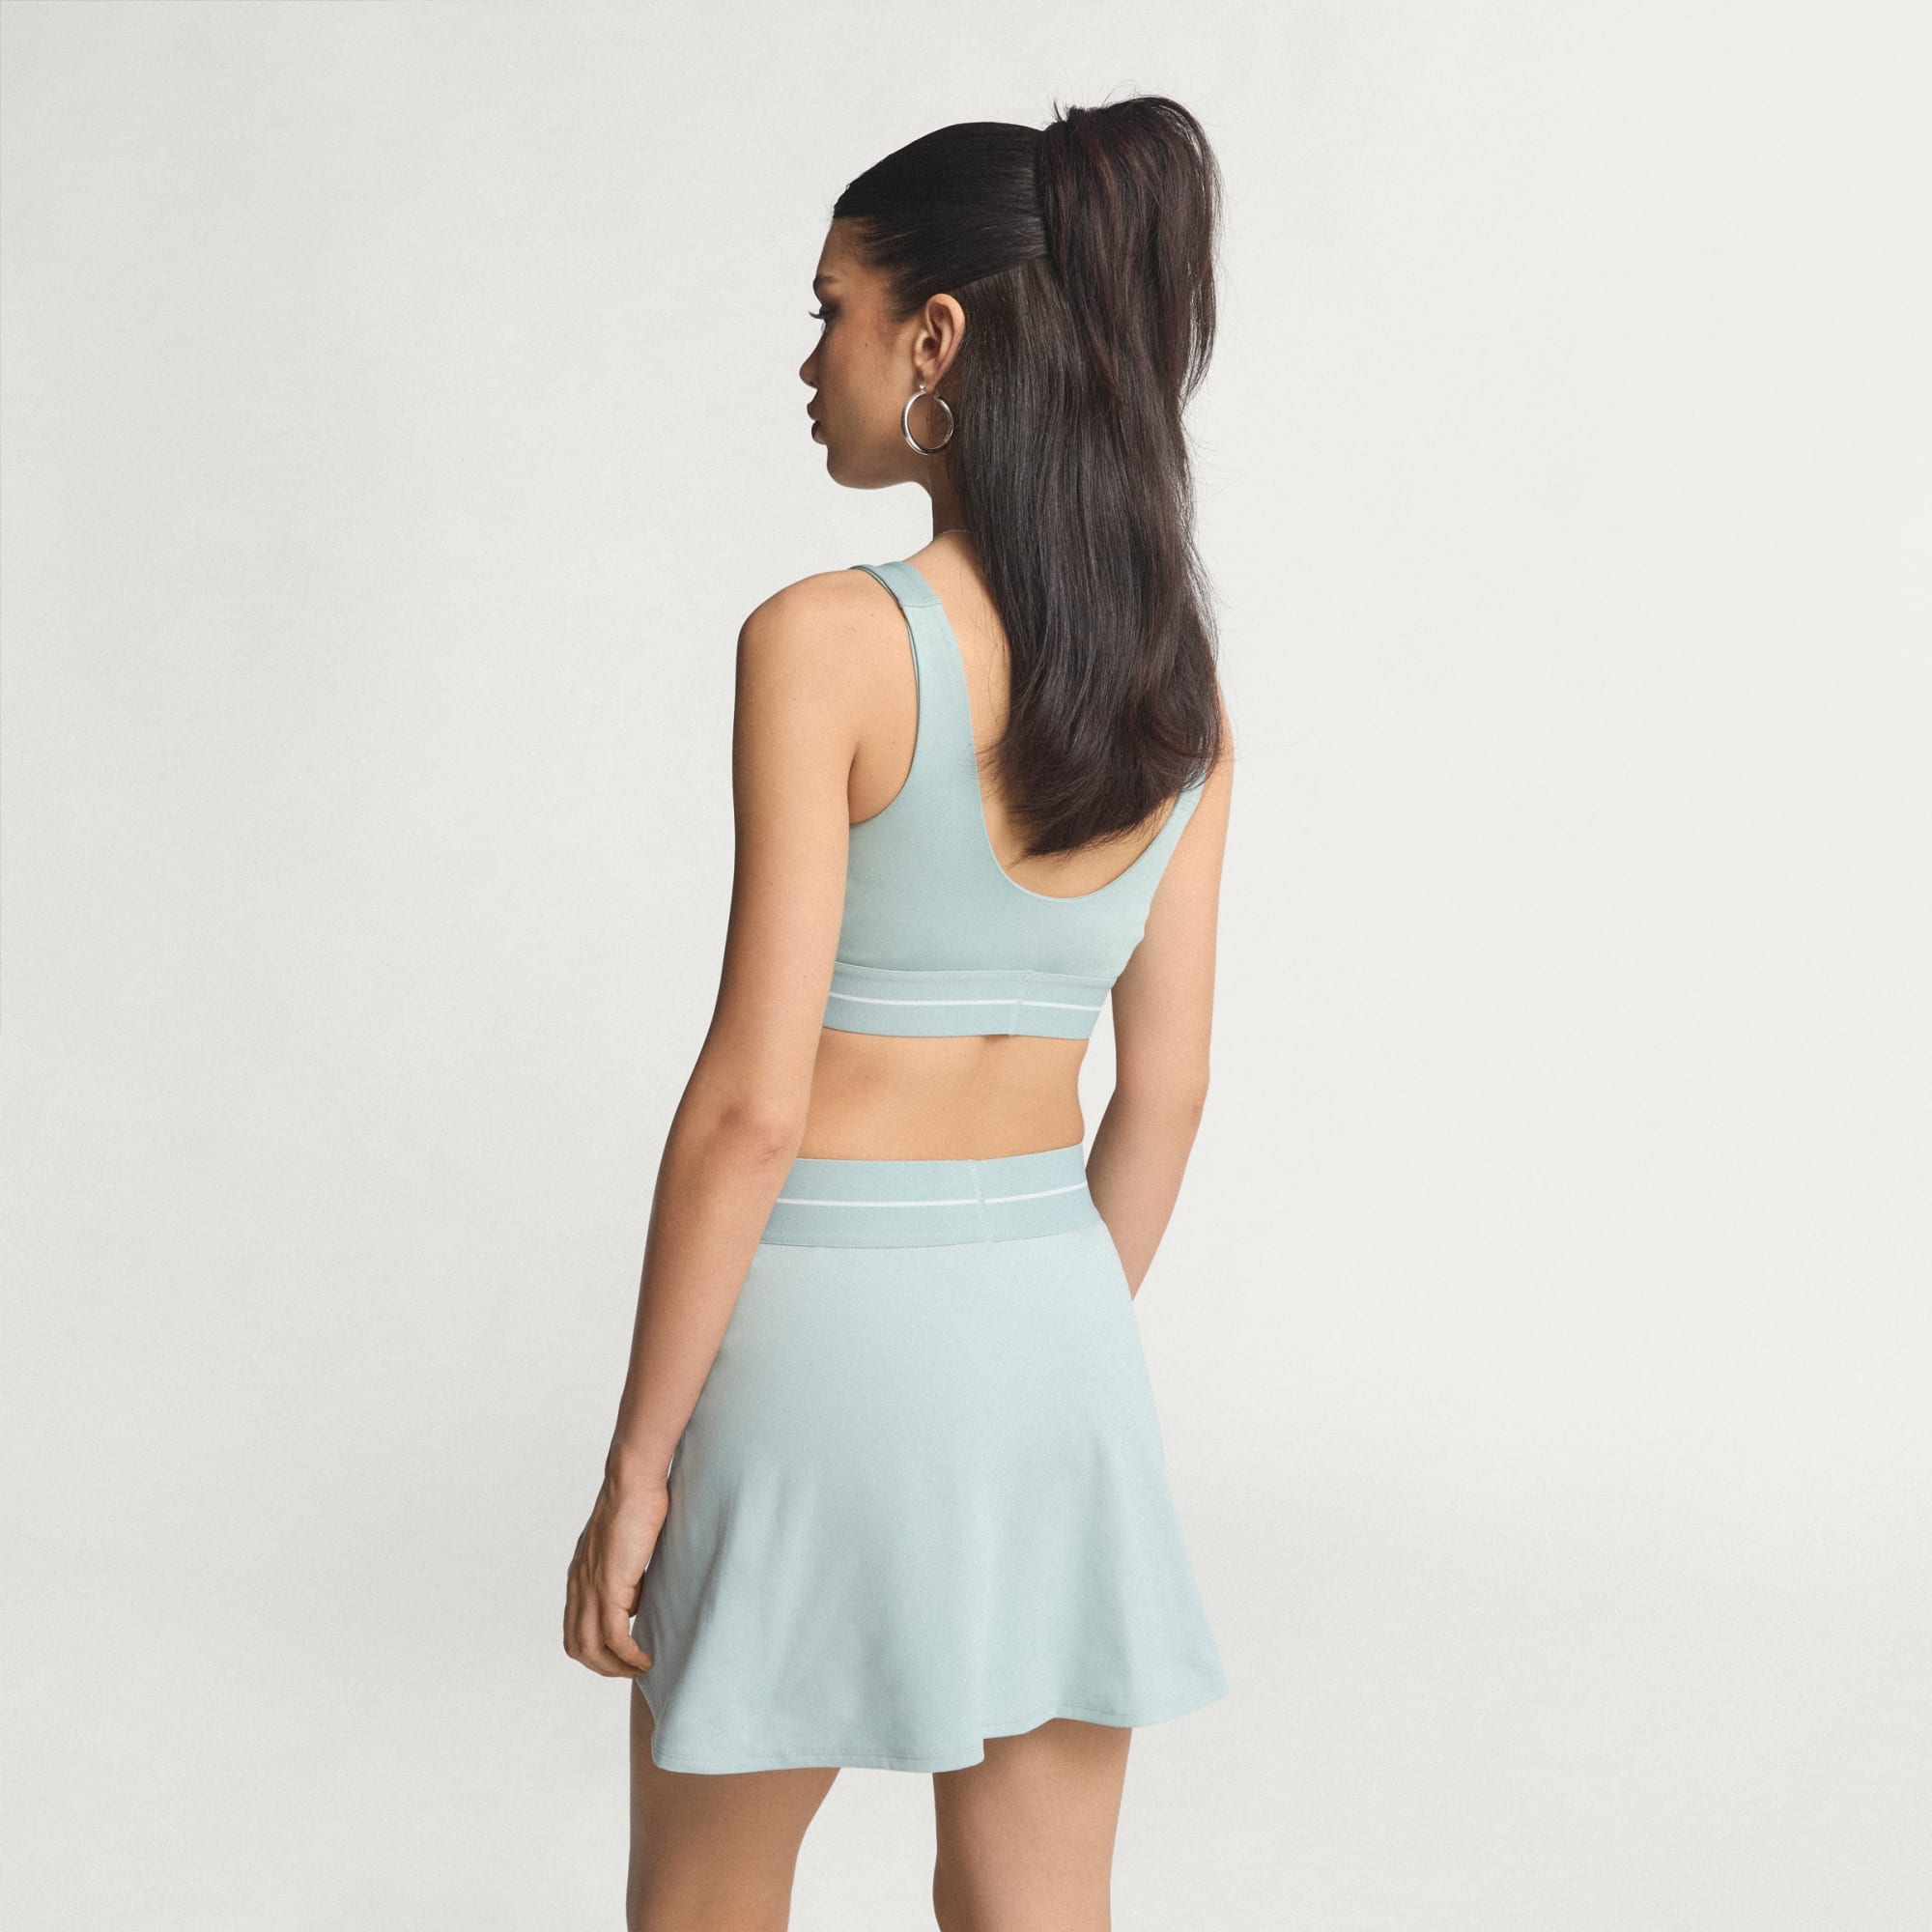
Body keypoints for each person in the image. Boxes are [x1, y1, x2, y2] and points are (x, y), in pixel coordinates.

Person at [564, 95, 1236, 1932]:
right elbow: (1165, 1094)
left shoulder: (824, 641)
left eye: (832, 310)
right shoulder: (1175, 692)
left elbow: (751, 1110)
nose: (811, 360)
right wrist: (1032, 1333)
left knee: (706, 1906)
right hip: (1058, 1353)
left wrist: (638, 1468)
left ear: (935, 339)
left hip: (814, 1348)